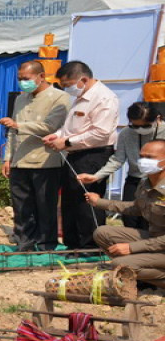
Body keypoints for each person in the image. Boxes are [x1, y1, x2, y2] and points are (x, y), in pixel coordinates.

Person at [43, 61, 119, 249]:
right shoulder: (81, 97)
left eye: (68, 85)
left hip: (93, 155)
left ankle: (90, 246)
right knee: (70, 201)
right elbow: (72, 128)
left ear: (83, 79)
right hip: (75, 155)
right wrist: (58, 135)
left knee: (87, 202)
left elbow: (100, 133)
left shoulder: (104, 98)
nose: (67, 89)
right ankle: (73, 244)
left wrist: (67, 142)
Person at [0, 60, 70, 251]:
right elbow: (12, 132)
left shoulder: (59, 97)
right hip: (20, 161)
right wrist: (8, 158)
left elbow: (50, 126)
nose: (22, 82)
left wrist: (19, 125)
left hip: (46, 161)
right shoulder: (21, 98)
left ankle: (47, 244)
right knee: (21, 207)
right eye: (20, 78)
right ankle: (25, 243)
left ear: (41, 76)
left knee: (45, 206)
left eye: (26, 78)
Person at [86, 139, 165, 288]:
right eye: (142, 156)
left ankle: (140, 273)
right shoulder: (145, 183)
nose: (143, 161)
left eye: (150, 158)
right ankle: (136, 271)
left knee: (119, 263)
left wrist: (132, 248)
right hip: (156, 240)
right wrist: (99, 202)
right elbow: (136, 208)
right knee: (103, 233)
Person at [78, 102, 164, 230]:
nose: (140, 130)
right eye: (135, 126)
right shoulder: (125, 133)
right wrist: (96, 176)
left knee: (153, 218)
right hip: (134, 180)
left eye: (145, 126)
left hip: (160, 182)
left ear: (157, 119)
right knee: (130, 218)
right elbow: (118, 160)